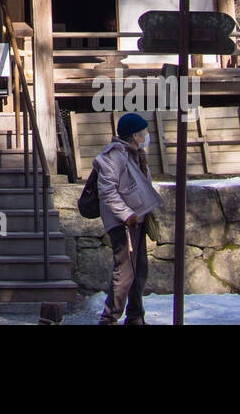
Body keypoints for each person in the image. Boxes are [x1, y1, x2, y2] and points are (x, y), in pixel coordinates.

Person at [94, 112, 161, 325]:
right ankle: (109, 318)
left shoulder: (136, 154)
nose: (147, 134)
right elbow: (107, 192)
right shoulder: (114, 157)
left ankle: (135, 316)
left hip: (138, 218)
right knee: (125, 272)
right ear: (135, 135)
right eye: (144, 131)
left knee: (139, 269)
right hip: (124, 222)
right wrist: (126, 215)